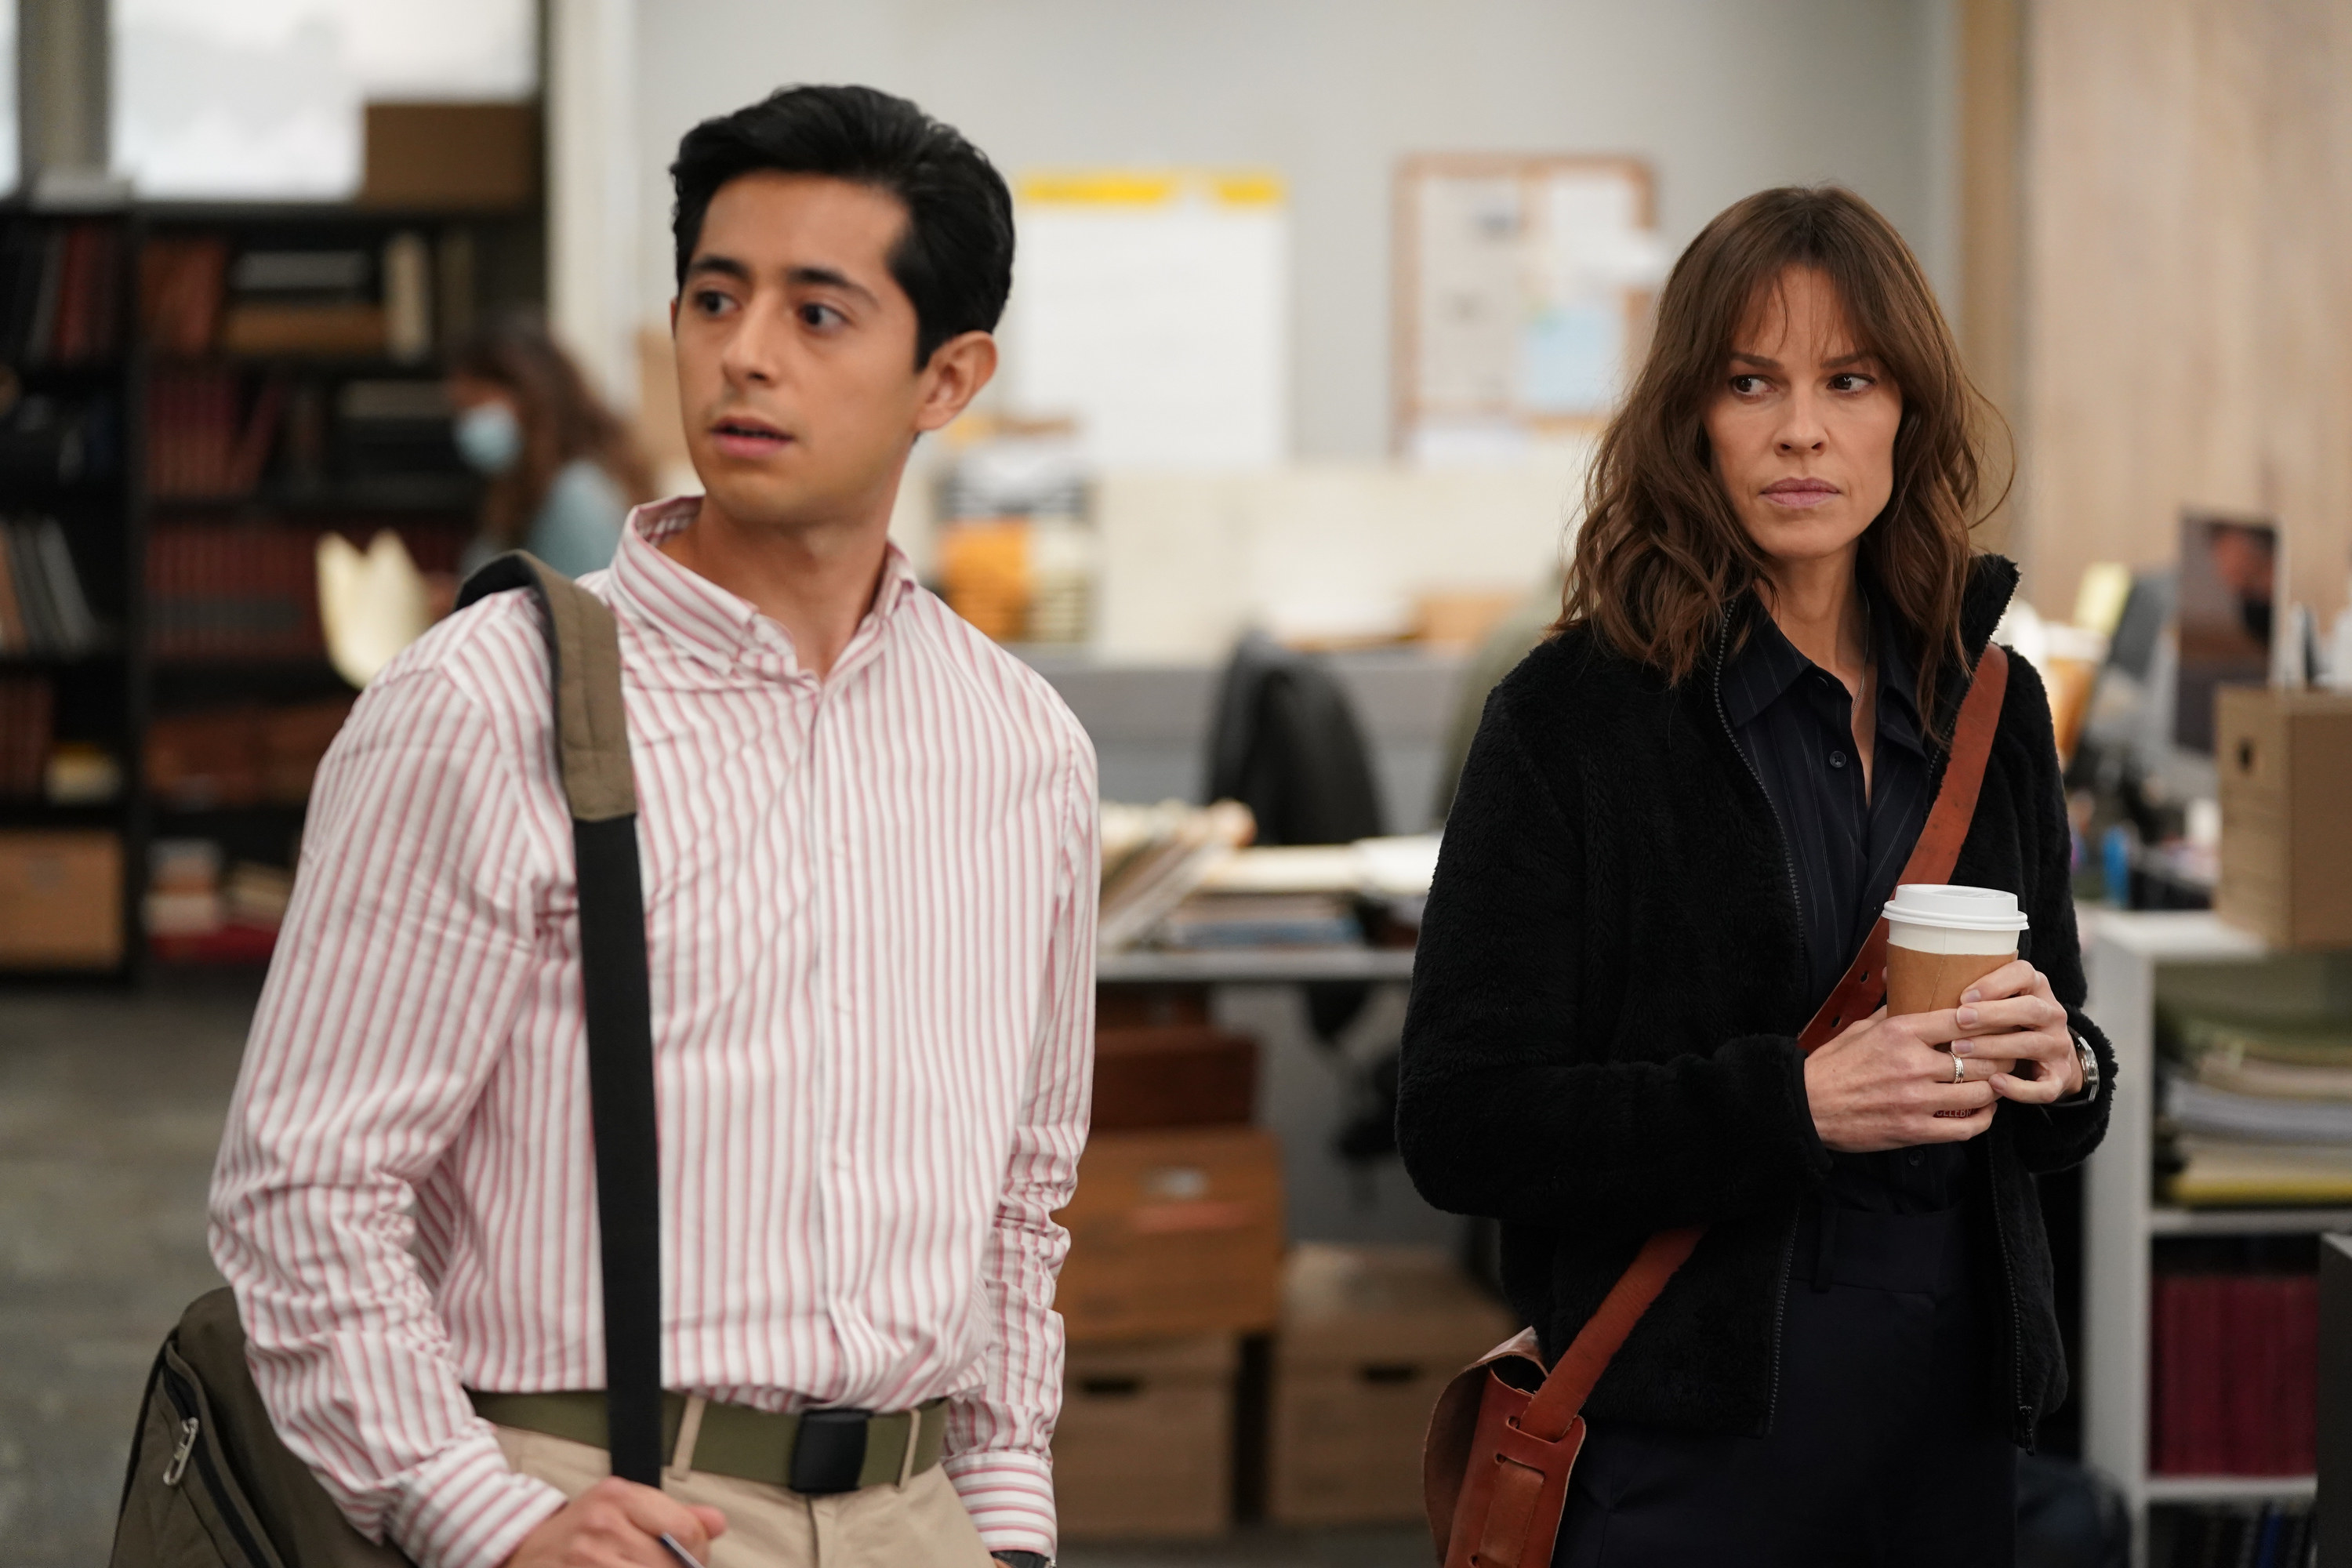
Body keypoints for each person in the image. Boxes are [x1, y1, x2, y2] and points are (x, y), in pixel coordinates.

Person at [211, 85, 1093, 1568]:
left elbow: (1022, 1197)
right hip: (598, 1501)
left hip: (917, 1514)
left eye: (820, 314)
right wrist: (475, 1515)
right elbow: (308, 1184)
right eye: (714, 298)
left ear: (947, 378)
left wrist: (1004, 1519)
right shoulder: (489, 701)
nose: (743, 352)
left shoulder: (1019, 747)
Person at [1396, 186, 2114, 1567]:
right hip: (1678, 1438)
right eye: (1751, 382)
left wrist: (2066, 1069)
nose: (1802, 429)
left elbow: (2060, 1064)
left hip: (1945, 1421)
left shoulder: (1993, 705)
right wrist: (1788, 1105)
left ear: (1908, 414)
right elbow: (1462, 1121)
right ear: (1692, 418)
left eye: (1849, 380)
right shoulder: (1575, 719)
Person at [448, 314, 652, 581]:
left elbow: (584, 614)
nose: (470, 427)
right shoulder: (524, 488)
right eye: (461, 412)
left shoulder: (575, 497)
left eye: (477, 405)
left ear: (533, 396)